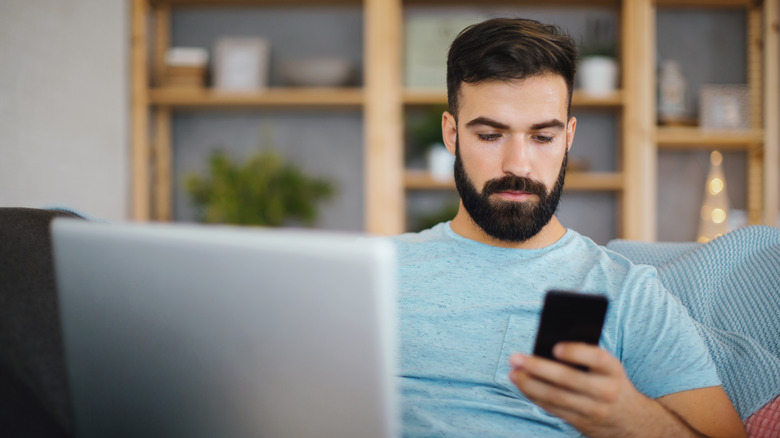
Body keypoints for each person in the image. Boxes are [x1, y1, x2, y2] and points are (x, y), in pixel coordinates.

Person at [391, 17, 746, 437]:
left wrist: (628, 416)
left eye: (543, 137)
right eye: (489, 135)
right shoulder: (379, 269)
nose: (518, 165)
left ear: (569, 137)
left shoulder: (625, 291)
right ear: (452, 135)